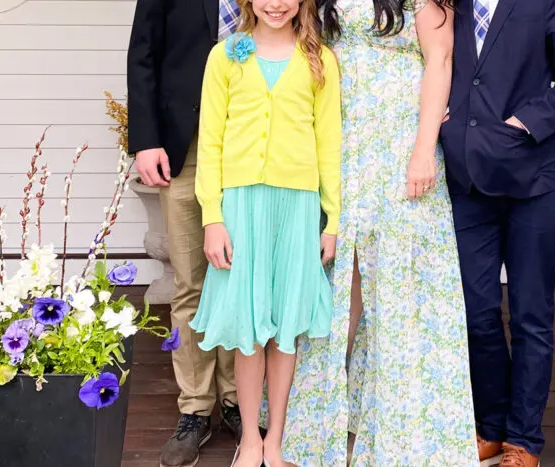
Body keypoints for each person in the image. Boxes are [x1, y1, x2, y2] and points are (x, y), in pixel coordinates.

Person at [270, 0, 480, 465]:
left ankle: (400, 423)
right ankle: (319, 420)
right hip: (340, 143)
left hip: (400, 149)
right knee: (339, 276)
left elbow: (440, 60)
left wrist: (424, 147)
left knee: (402, 278)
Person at [440, 0, 555, 465]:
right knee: (477, 311)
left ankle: (524, 439)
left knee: (530, 314)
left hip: (533, 179)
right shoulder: (449, 4)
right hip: (467, 178)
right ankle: (490, 426)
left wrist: (527, 120)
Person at [186, 0, 342, 465]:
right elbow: (210, 138)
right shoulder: (226, 55)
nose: (277, 4)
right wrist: (213, 217)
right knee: (249, 326)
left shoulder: (321, 60)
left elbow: (328, 143)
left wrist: (331, 220)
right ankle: (249, 441)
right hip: (241, 206)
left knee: (285, 326)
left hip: (296, 206)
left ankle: (275, 440)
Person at [127, 1, 243, 465]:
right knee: (190, 280)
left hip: (252, 145)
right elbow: (143, 52)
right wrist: (145, 138)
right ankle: (195, 407)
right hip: (185, 143)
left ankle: (238, 399)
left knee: (240, 278)